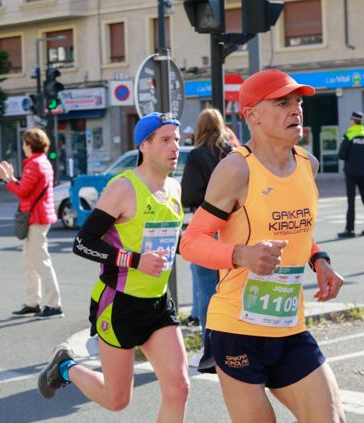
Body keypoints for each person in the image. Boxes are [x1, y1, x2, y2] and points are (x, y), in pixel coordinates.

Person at [180, 69, 345, 422]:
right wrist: (241, 254)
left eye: (298, 101)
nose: (296, 109)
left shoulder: (308, 165)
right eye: (282, 102)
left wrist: (319, 260)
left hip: (289, 326)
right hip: (237, 331)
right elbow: (191, 243)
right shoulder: (236, 170)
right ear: (251, 114)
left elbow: (297, 228)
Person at [37, 112, 190, 420]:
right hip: (120, 303)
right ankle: (66, 366)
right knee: (116, 399)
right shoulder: (124, 188)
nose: (174, 147)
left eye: (177, 139)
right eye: (165, 140)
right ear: (143, 146)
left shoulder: (174, 189)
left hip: (158, 303)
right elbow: (82, 243)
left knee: (179, 388)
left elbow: (166, 242)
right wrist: (134, 261)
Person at [0, 128, 63, 319]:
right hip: (39, 217)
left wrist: (6, 178)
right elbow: (28, 188)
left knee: (41, 262)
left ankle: (54, 305)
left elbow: (22, 191)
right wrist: (10, 177)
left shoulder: (34, 165)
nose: (23, 146)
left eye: (24, 143)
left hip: (36, 218)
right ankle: (33, 302)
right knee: (30, 263)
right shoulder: (42, 162)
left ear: (30, 145)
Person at [181, 108, 234, 345]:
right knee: (231, 288)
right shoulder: (232, 153)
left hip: (207, 226)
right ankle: (231, 340)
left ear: (200, 128)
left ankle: (211, 346)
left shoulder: (197, 155)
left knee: (206, 289)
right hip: (233, 227)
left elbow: (188, 195)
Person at [337, 111, 364, 238]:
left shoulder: (348, 136)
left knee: (351, 202)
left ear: (353, 121)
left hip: (351, 173)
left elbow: (341, 155)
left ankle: (350, 230)